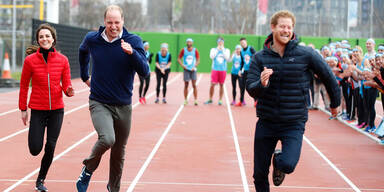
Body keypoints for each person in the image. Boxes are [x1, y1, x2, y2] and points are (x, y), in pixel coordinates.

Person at [246, 10, 340, 192]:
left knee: (288, 164)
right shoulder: (260, 58)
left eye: (289, 27)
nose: (286, 30)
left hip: (293, 122)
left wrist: (335, 103)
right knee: (259, 174)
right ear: (273, 27)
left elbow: (328, 76)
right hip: (267, 121)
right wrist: (261, 83)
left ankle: (279, 160)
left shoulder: (306, 54)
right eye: (282, 26)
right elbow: (251, 88)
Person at [76, 5, 149, 192]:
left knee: (119, 151)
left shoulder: (133, 41)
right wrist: (85, 76)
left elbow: (145, 71)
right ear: (104, 22)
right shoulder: (92, 39)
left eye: (117, 22)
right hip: (99, 101)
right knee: (107, 139)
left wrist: (132, 54)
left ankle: (114, 188)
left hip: (124, 105)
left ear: (123, 21)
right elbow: (82, 51)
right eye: (110, 22)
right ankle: (87, 170)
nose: (113, 26)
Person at [19, 23, 74, 192]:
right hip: (37, 109)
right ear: (38, 40)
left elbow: (66, 84)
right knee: (35, 149)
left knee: (50, 145)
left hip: (57, 110)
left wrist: (69, 91)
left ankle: (40, 179)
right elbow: (23, 86)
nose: (44, 39)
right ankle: (37, 158)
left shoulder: (63, 60)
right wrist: (23, 109)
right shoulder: (30, 61)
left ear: (53, 39)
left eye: (47, 36)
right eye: (41, 36)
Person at [204, 37, 230, 105]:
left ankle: (220, 100)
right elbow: (212, 56)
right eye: (219, 42)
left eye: (221, 42)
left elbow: (227, 58)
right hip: (215, 69)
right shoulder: (213, 49)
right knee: (212, 84)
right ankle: (210, 99)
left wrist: (223, 50)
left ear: (223, 42)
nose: (220, 43)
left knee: (221, 84)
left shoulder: (227, 50)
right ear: (217, 42)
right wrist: (218, 50)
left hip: (223, 69)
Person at [177, 38, 200, 105]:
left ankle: (195, 100)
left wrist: (194, 66)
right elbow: (178, 59)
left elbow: (198, 60)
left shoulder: (195, 50)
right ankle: (185, 100)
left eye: (190, 42)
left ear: (192, 43)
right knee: (186, 85)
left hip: (193, 70)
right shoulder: (183, 50)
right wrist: (182, 65)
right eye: (188, 42)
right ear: (186, 43)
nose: (189, 43)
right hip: (186, 69)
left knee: (194, 85)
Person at [237, 37, 256, 107]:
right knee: (242, 87)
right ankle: (241, 101)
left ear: (246, 42)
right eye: (241, 43)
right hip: (245, 71)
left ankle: (256, 101)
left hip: (252, 71)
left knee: (253, 86)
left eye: (244, 42)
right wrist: (239, 70)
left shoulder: (251, 48)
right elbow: (242, 62)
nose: (243, 44)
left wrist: (250, 58)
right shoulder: (241, 51)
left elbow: (256, 56)